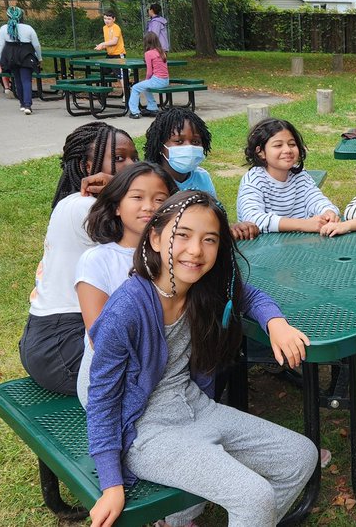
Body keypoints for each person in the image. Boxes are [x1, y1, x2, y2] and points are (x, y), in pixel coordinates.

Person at [80, 191, 318, 527]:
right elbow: (101, 398)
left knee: (300, 456)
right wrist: (112, 484)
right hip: (146, 430)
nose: (195, 250)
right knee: (254, 496)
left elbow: (248, 294)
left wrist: (275, 323)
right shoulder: (127, 309)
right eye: (183, 236)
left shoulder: (203, 287)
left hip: (196, 408)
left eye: (209, 240)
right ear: (156, 238)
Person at [19, 122, 138, 395]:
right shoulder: (85, 207)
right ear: (87, 167)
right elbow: (164, 236)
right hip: (62, 346)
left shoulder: (83, 204)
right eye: (119, 159)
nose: (131, 166)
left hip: (50, 341)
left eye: (134, 157)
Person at [236, 118, 339, 233]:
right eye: (278, 145)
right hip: (264, 247)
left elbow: (316, 199)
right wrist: (303, 224)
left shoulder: (299, 175)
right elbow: (253, 220)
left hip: (299, 245)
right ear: (260, 152)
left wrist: (328, 212)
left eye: (292, 144)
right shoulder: (253, 180)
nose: (287, 150)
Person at [0, 6, 43, 116]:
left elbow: (0, 45)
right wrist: (39, 58)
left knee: (17, 79)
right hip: (26, 55)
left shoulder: (4, 28)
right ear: (21, 16)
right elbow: (36, 45)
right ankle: (28, 105)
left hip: (11, 55)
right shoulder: (28, 28)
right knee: (26, 80)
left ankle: (22, 103)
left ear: (8, 16)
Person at [128, 32, 169, 119]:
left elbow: (149, 71)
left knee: (135, 88)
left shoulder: (148, 53)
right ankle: (152, 107)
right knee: (145, 87)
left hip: (157, 80)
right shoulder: (162, 51)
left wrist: (147, 80)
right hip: (165, 80)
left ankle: (134, 112)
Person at [94, 10, 126, 102]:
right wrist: (103, 46)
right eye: (105, 18)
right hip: (110, 55)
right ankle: (103, 91)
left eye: (109, 19)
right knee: (103, 71)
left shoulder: (116, 28)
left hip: (118, 55)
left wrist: (103, 43)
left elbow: (114, 41)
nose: (106, 21)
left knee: (121, 76)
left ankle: (126, 94)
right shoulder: (104, 28)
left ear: (114, 19)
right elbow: (109, 42)